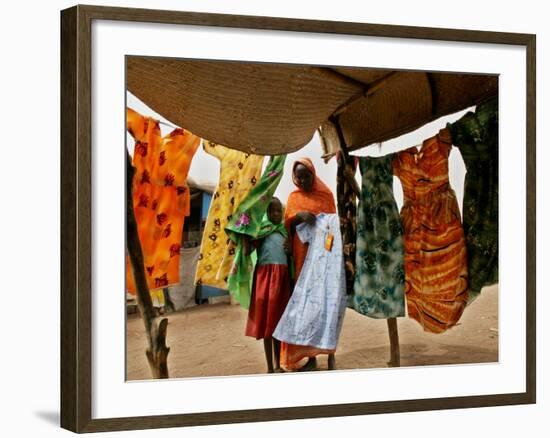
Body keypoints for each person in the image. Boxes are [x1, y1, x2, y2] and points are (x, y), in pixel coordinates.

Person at [280, 158, 338, 371]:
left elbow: (334, 229)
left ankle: (330, 354)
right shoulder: (293, 198)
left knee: (325, 308)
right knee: (306, 311)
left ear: (314, 174)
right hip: (301, 260)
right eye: (299, 176)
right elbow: (287, 227)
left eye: (307, 175)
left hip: (322, 261)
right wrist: (298, 217)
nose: (302, 180)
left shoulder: (326, 196)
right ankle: (311, 358)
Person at [243, 197, 291, 373]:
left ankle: (278, 365)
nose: (276, 214)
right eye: (272, 211)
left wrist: (290, 249)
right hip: (265, 279)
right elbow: (248, 250)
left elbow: (291, 254)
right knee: (267, 325)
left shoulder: (285, 232)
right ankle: (270, 367)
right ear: (266, 213)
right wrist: (244, 233)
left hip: (282, 280)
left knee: (278, 323)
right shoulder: (261, 231)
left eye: (279, 211)